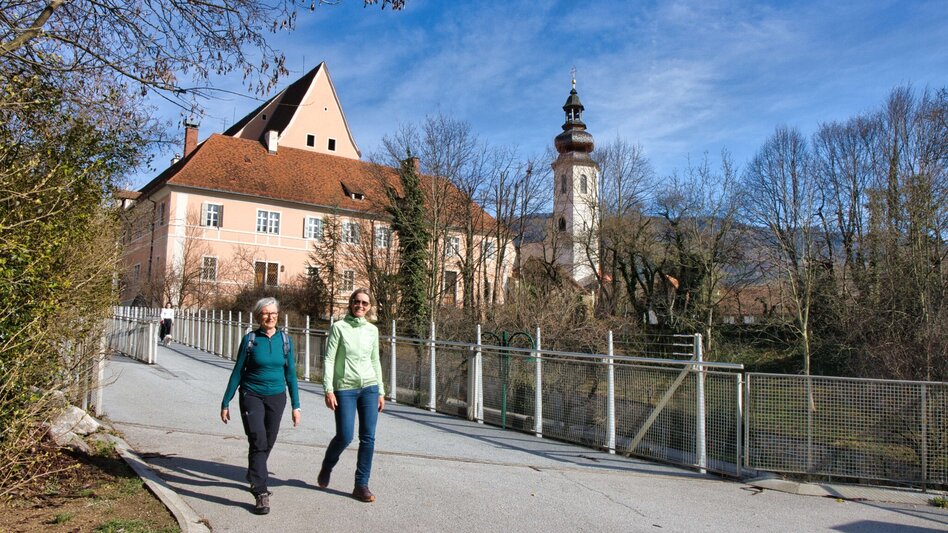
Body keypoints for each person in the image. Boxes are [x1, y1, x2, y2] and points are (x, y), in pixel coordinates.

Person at [220, 297, 301, 515]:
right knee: (258, 439)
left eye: (273, 313)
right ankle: (260, 490)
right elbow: (237, 372)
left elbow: (291, 374)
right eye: (265, 313)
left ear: (278, 315)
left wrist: (296, 405)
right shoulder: (250, 340)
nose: (270, 317)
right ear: (258, 316)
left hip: (277, 396)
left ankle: (255, 472)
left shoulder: (285, 340)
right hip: (251, 394)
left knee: (268, 441)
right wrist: (225, 401)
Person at [317, 288, 385, 503]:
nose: (360, 306)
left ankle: (361, 485)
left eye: (365, 303)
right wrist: (328, 388)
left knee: (368, 438)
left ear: (369, 307)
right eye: (357, 302)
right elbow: (328, 359)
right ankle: (328, 465)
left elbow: (375, 361)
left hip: (369, 388)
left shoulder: (372, 331)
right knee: (345, 435)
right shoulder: (339, 328)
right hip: (344, 388)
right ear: (351, 303)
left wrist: (381, 391)